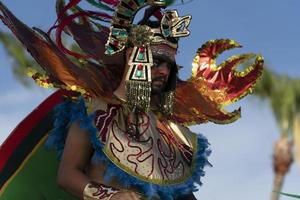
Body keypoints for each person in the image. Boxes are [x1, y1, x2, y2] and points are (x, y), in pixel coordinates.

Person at [0, 0, 264, 200]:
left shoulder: (175, 135)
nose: (164, 71)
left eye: (169, 65)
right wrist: (110, 196)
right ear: (133, 59)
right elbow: (67, 175)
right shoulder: (92, 109)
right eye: (157, 61)